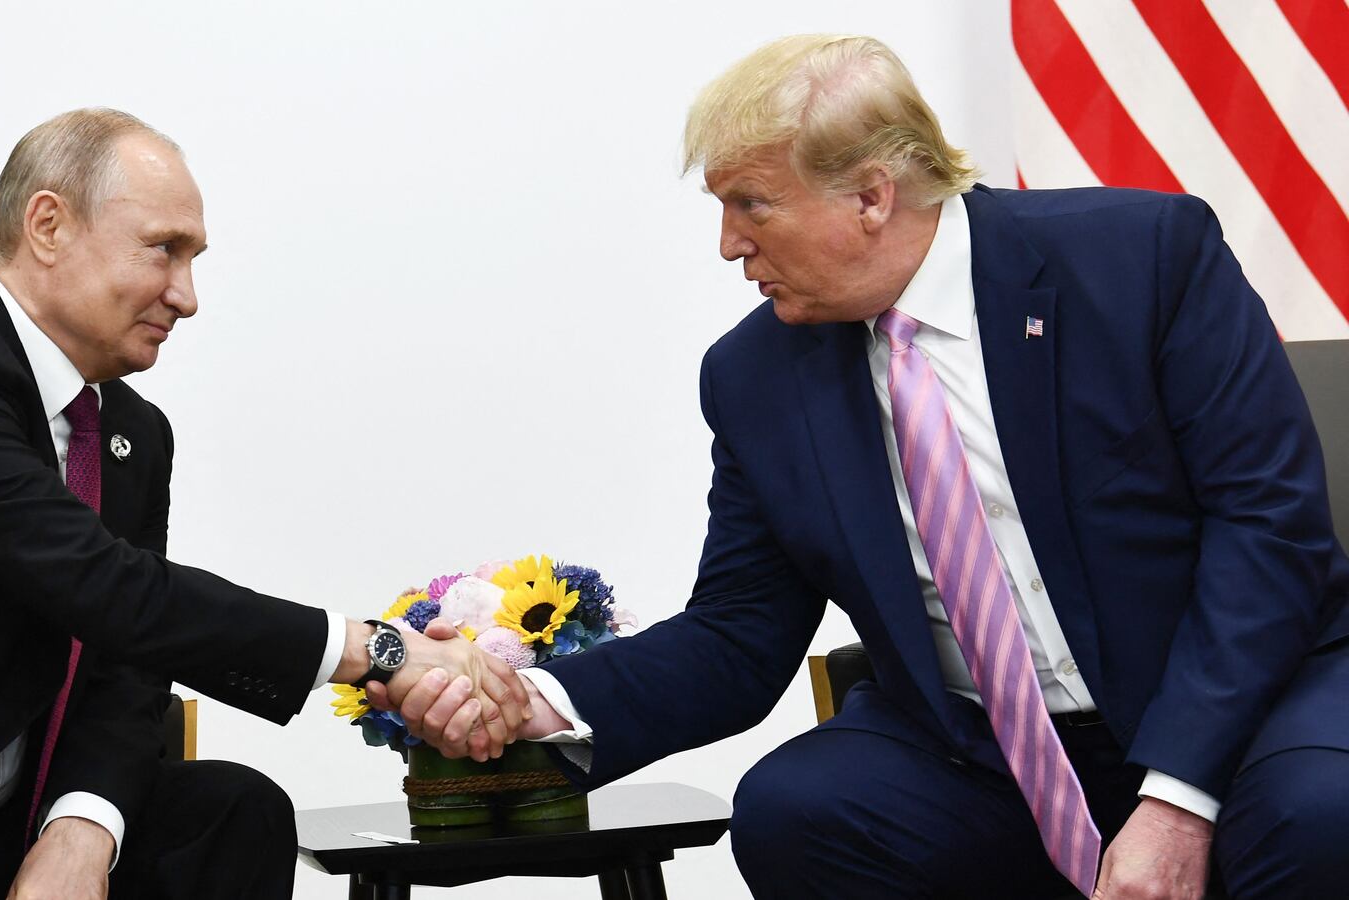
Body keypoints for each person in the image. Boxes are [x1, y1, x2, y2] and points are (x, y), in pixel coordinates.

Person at [379, 35, 1349, 899]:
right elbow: (739, 632)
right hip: (984, 749)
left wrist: (1177, 796)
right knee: (802, 810)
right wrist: (536, 699)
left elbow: (1268, 531)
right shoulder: (756, 375)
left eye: (749, 204)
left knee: (1320, 814)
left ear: (871, 195)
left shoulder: (1138, 258)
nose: (728, 245)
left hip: (1239, 707)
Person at [0, 108, 526, 900]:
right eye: (165, 250)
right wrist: (379, 651)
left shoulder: (128, 431)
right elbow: (111, 589)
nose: (186, 297)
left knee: (234, 811)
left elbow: (127, 660)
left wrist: (82, 828)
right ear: (47, 225)